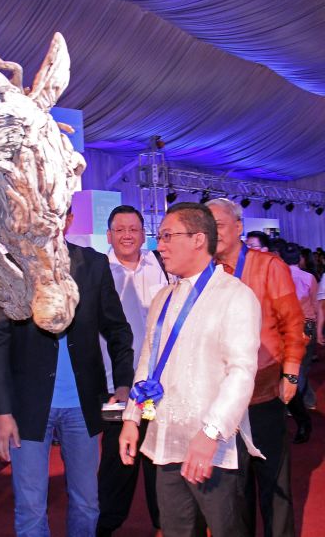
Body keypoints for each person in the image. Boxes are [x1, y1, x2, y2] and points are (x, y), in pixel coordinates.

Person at [0, 209, 134, 537]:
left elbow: (119, 330)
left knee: (87, 502)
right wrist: (2, 411)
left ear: (68, 220)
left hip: (84, 405)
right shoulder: (8, 268)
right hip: (27, 407)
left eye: (57, 215)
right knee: (30, 506)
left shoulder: (93, 265)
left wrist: (123, 383)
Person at [119, 202, 262, 537]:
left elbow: (242, 373)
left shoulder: (235, 296)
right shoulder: (162, 298)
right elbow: (148, 364)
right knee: (176, 530)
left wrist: (210, 434)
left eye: (168, 236)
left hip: (213, 447)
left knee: (228, 529)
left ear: (199, 239)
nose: (160, 245)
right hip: (166, 441)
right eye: (160, 236)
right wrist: (131, 419)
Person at [207, 198, 304, 537]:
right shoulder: (206, 272)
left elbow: (293, 322)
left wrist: (290, 372)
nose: (213, 232)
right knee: (233, 487)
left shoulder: (267, 266)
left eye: (218, 224)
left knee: (273, 484)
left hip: (263, 390)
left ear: (238, 226)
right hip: (219, 398)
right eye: (208, 225)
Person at [97, 205, 168, 537]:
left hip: (155, 387)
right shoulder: (97, 271)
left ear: (143, 234)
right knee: (117, 457)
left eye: (133, 229)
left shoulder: (163, 268)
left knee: (156, 455)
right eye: (119, 229)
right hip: (116, 386)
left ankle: (163, 523)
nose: (127, 235)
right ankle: (108, 524)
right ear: (109, 235)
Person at [281, 243, 318, 433]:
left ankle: (300, 401)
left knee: (292, 366)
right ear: (300, 258)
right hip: (306, 325)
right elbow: (315, 305)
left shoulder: (279, 276)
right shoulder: (308, 277)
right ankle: (298, 402)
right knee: (301, 367)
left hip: (286, 326)